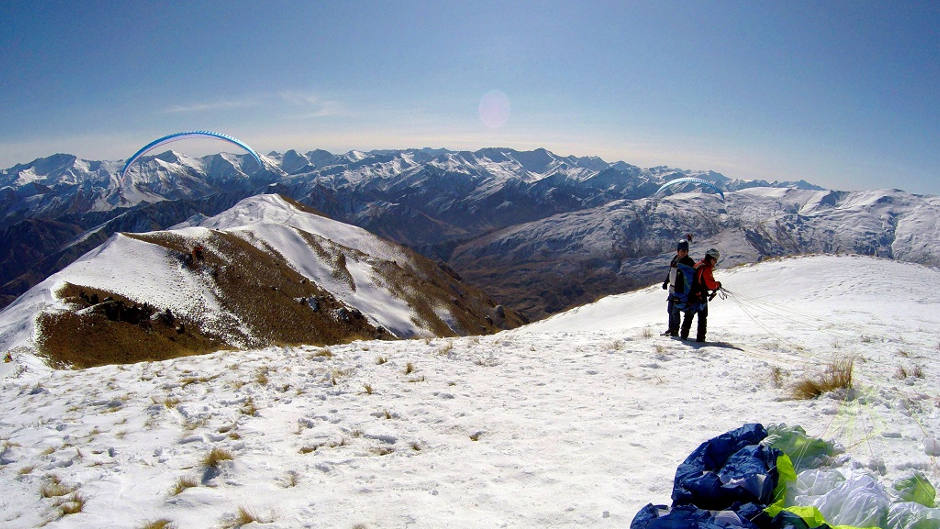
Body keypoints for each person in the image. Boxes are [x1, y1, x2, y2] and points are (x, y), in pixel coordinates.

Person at [680, 247, 723, 342]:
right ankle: (701, 338)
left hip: (691, 295)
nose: (715, 262)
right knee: (702, 317)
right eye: (715, 259)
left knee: (689, 315)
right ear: (711, 258)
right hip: (701, 297)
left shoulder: (698, 264)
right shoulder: (706, 268)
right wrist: (718, 284)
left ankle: (683, 335)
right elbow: (710, 285)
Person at [662, 239, 696, 337]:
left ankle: (674, 330)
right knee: (670, 310)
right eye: (682, 251)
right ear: (678, 251)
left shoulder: (689, 262)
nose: (684, 253)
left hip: (681, 291)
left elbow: (692, 277)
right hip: (673, 289)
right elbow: (671, 272)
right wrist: (666, 282)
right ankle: (671, 328)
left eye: (686, 251)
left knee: (675, 311)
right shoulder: (675, 259)